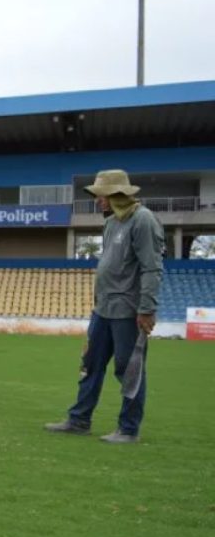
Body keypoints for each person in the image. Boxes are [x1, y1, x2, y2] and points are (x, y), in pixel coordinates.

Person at [46, 169, 165, 443]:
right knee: (89, 364)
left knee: (128, 370)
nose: (97, 199)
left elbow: (151, 268)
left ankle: (128, 428)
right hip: (103, 309)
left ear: (116, 194)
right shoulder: (112, 222)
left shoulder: (143, 220)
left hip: (128, 310)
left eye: (101, 194)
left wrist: (146, 308)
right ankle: (79, 420)